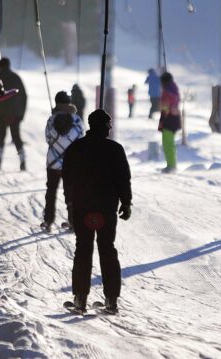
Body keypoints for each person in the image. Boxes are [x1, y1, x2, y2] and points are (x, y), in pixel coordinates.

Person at [62, 109, 132, 313]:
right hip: (107, 209)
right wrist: (126, 203)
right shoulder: (115, 149)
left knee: (83, 249)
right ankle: (111, 300)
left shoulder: (76, 148)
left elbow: (68, 178)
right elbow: (123, 179)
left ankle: (80, 299)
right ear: (106, 127)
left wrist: (71, 203)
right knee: (107, 249)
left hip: (83, 208)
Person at [41, 91, 85, 232]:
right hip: (71, 163)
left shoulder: (51, 119)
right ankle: (73, 222)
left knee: (51, 190)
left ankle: (48, 221)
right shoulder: (77, 120)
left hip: (53, 162)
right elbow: (81, 138)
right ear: (69, 102)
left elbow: (48, 138)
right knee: (71, 192)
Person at [0, 57, 28, 171]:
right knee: (16, 137)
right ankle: (22, 160)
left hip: (1, 113)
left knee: (1, 137)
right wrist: (21, 114)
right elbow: (24, 96)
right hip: (15, 114)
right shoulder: (16, 77)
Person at [158, 72, 181, 173]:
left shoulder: (166, 92)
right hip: (175, 119)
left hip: (168, 120)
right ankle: (171, 164)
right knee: (170, 143)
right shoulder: (174, 89)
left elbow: (165, 108)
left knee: (167, 144)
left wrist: (162, 121)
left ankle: (171, 166)